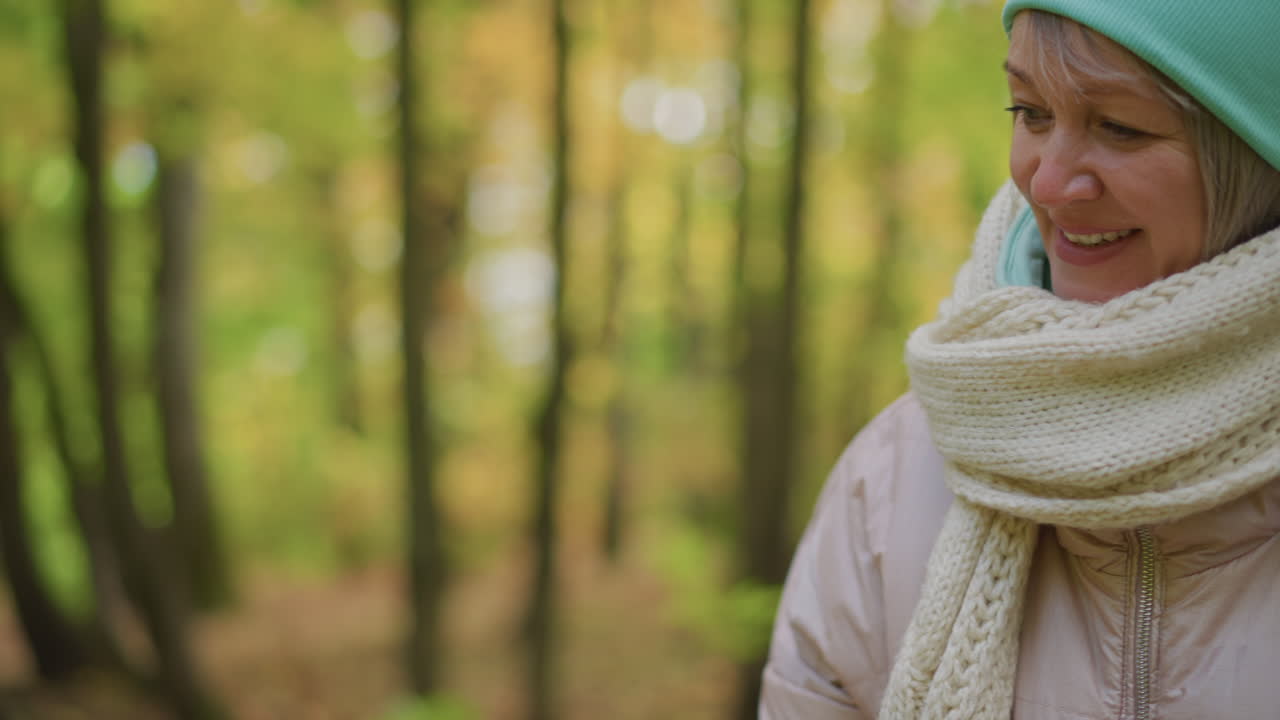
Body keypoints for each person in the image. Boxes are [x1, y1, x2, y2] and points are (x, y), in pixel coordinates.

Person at [760, 1, 1280, 718]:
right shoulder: (891, 481)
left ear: (1255, 157)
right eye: (1031, 112)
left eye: (1119, 127)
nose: (1046, 181)